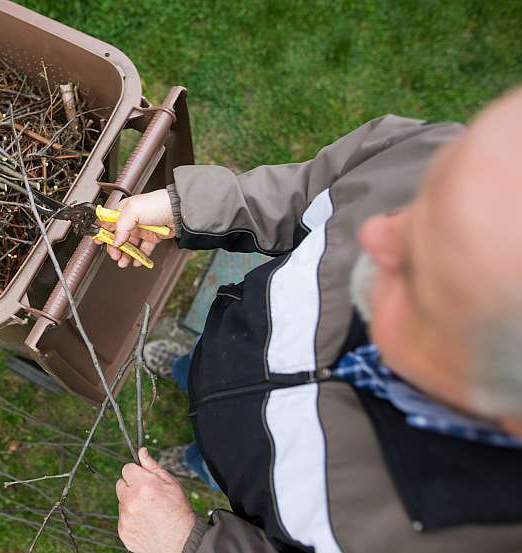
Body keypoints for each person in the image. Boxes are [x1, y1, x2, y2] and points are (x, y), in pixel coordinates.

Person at [105, 88, 522, 553]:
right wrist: (188, 208)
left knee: (218, 463)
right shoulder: (432, 158)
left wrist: (188, 542)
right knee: (206, 364)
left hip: (256, 482)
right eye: (429, 201)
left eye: (417, 265)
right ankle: (188, 370)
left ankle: (197, 463)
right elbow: (313, 191)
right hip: (234, 346)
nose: (375, 231)